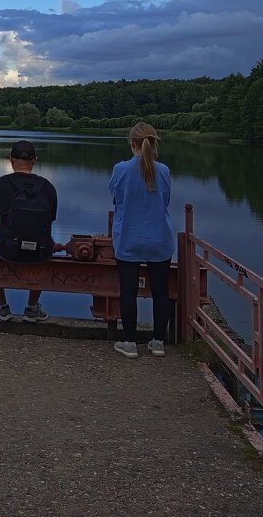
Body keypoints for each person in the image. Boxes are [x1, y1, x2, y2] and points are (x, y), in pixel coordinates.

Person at [109, 122, 174, 359]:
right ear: (154, 143)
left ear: (132, 143)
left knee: (128, 292)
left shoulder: (120, 169)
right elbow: (165, 201)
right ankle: (157, 343)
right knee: (161, 292)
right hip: (159, 240)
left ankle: (130, 343)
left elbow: (116, 199)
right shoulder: (164, 171)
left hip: (129, 239)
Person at [0, 139, 58, 323]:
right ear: (35, 160)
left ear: (11, 160)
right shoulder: (48, 187)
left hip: (8, 249)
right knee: (47, 241)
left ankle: (2, 306)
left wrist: (9, 236)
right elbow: (48, 224)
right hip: (39, 252)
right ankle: (32, 308)